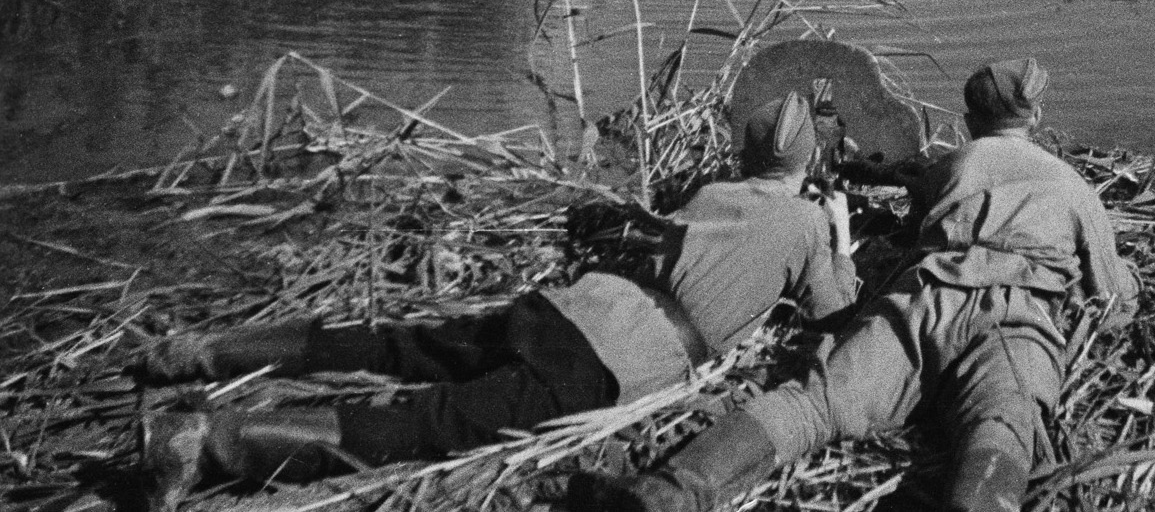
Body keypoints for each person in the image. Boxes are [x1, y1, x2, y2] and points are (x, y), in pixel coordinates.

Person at [135, 93, 857, 511]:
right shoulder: (805, 222)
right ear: (806, 163)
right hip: (613, 356)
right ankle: (213, 441)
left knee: (398, 344)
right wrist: (843, 235)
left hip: (572, 305)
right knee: (428, 423)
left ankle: (198, 350)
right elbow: (835, 313)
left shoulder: (716, 191)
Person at [568, 58, 1138, 512]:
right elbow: (1114, 300)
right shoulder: (1071, 184)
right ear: (1033, 117)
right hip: (1012, 317)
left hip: (924, 300)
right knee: (1004, 421)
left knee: (813, 402)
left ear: (971, 121)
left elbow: (918, 226)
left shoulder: (954, 166)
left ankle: (664, 494)